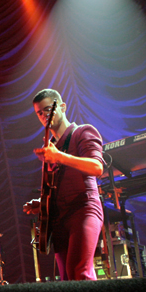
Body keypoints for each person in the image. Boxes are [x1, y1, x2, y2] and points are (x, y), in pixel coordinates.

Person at [23, 89, 104, 281]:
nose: (44, 115)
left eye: (47, 109)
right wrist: (42, 203)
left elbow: (97, 167)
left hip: (83, 209)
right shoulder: (50, 149)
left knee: (79, 271)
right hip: (60, 218)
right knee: (67, 279)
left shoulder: (83, 132)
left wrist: (59, 157)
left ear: (62, 107)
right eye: (39, 113)